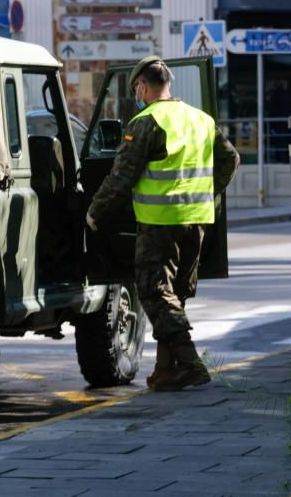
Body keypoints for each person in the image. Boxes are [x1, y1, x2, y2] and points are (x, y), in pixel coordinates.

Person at [85, 55, 239, 392]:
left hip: (160, 222)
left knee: (154, 292)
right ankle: (166, 371)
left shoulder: (146, 122)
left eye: (136, 90)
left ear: (141, 87)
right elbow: (231, 158)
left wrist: (95, 213)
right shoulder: (202, 120)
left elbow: (121, 177)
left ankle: (191, 364)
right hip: (198, 219)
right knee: (175, 295)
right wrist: (209, 192)